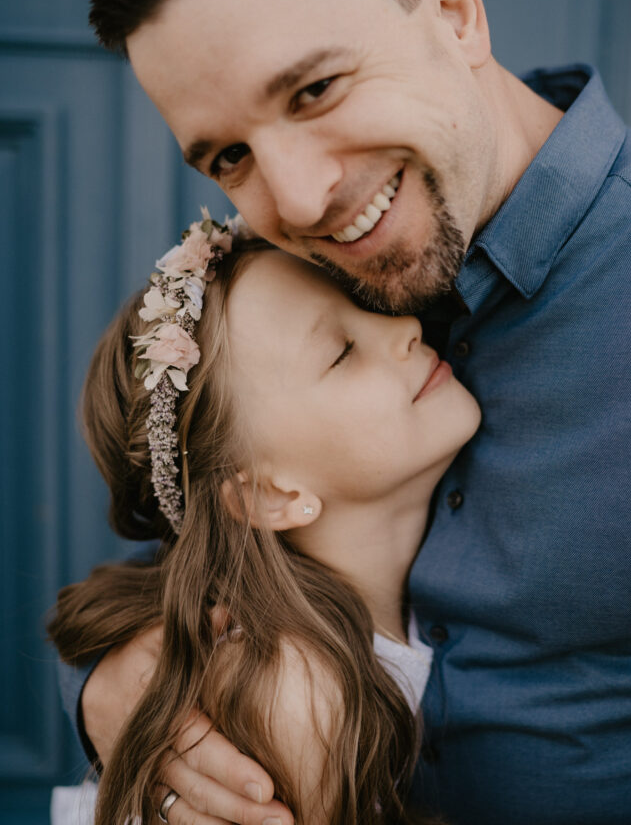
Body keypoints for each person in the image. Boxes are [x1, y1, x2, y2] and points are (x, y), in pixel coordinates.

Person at [59, 0, 631, 825]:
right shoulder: (322, 280)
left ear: (452, 10)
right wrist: (115, 692)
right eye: (226, 157)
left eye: (314, 88)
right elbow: (205, 544)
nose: (298, 200)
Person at [50, 213, 481, 824]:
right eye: (341, 353)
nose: (408, 327)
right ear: (268, 496)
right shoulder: (292, 695)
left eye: (368, 308)